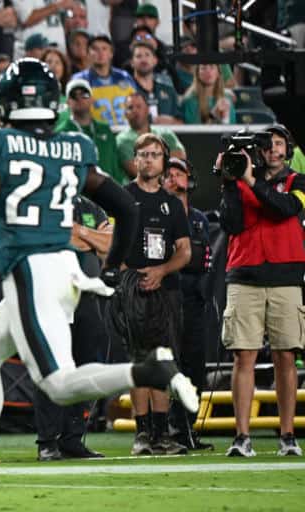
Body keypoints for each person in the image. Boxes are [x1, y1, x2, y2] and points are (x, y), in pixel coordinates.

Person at [0, 58, 197, 496]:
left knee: (59, 383)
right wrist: (110, 267)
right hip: (63, 267)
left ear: (5, 103)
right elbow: (125, 208)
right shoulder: (73, 147)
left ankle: (151, 370)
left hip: (32, 272)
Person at [218, 124, 304, 457]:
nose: (271, 149)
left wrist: (251, 181)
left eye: (278, 143)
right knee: (243, 355)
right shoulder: (238, 180)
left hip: (285, 276)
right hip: (244, 274)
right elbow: (232, 224)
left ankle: (287, 435)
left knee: (286, 355)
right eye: (265, 144)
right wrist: (229, 181)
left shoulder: (299, 182)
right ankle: (242, 436)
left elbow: (285, 209)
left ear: (288, 149)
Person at [123, 133, 192, 457]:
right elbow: (109, 244)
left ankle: (161, 433)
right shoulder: (122, 197)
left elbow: (185, 251)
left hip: (166, 291)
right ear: (135, 159)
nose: (149, 159)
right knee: (138, 360)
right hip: (133, 290)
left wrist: (161, 271)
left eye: (154, 154)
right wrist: (134, 276)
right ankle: (141, 433)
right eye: (143, 154)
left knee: (163, 361)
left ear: (163, 161)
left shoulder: (172, 204)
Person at [34, 194, 111, 461]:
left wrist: (79, 232)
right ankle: (47, 440)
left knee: (86, 366)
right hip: (53, 295)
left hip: (87, 299)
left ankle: (72, 438)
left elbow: (109, 245)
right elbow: (50, 240)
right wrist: (88, 239)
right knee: (52, 366)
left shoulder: (92, 205)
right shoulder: (43, 199)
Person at [162, 157, 214, 451]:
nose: (173, 178)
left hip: (192, 299)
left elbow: (198, 259)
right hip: (165, 296)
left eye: (179, 172)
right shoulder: (156, 213)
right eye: (168, 174)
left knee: (194, 366)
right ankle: (163, 427)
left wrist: (179, 255)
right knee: (169, 363)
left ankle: (186, 429)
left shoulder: (199, 219)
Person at [55, 78, 121, 183]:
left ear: (92, 99)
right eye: (74, 95)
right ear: (67, 102)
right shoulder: (61, 133)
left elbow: (115, 165)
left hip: (109, 193)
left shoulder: (105, 129)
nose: (79, 98)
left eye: (84, 94)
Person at [116, 92, 186, 180]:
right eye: (130, 108)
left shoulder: (165, 133)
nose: (135, 110)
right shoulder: (122, 140)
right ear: (125, 114)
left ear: (148, 109)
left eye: (139, 106)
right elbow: (138, 172)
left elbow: (179, 161)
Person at [71, 34, 136, 126]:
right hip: (96, 134)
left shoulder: (124, 77)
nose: (100, 53)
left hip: (124, 132)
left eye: (104, 48)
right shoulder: (80, 80)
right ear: (88, 53)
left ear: (111, 53)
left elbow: (137, 105)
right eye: (95, 49)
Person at [129, 42, 182, 124]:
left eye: (147, 55)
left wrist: (171, 121)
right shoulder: (126, 91)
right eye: (138, 56)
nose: (143, 60)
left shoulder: (168, 90)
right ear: (132, 62)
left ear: (155, 61)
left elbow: (181, 122)